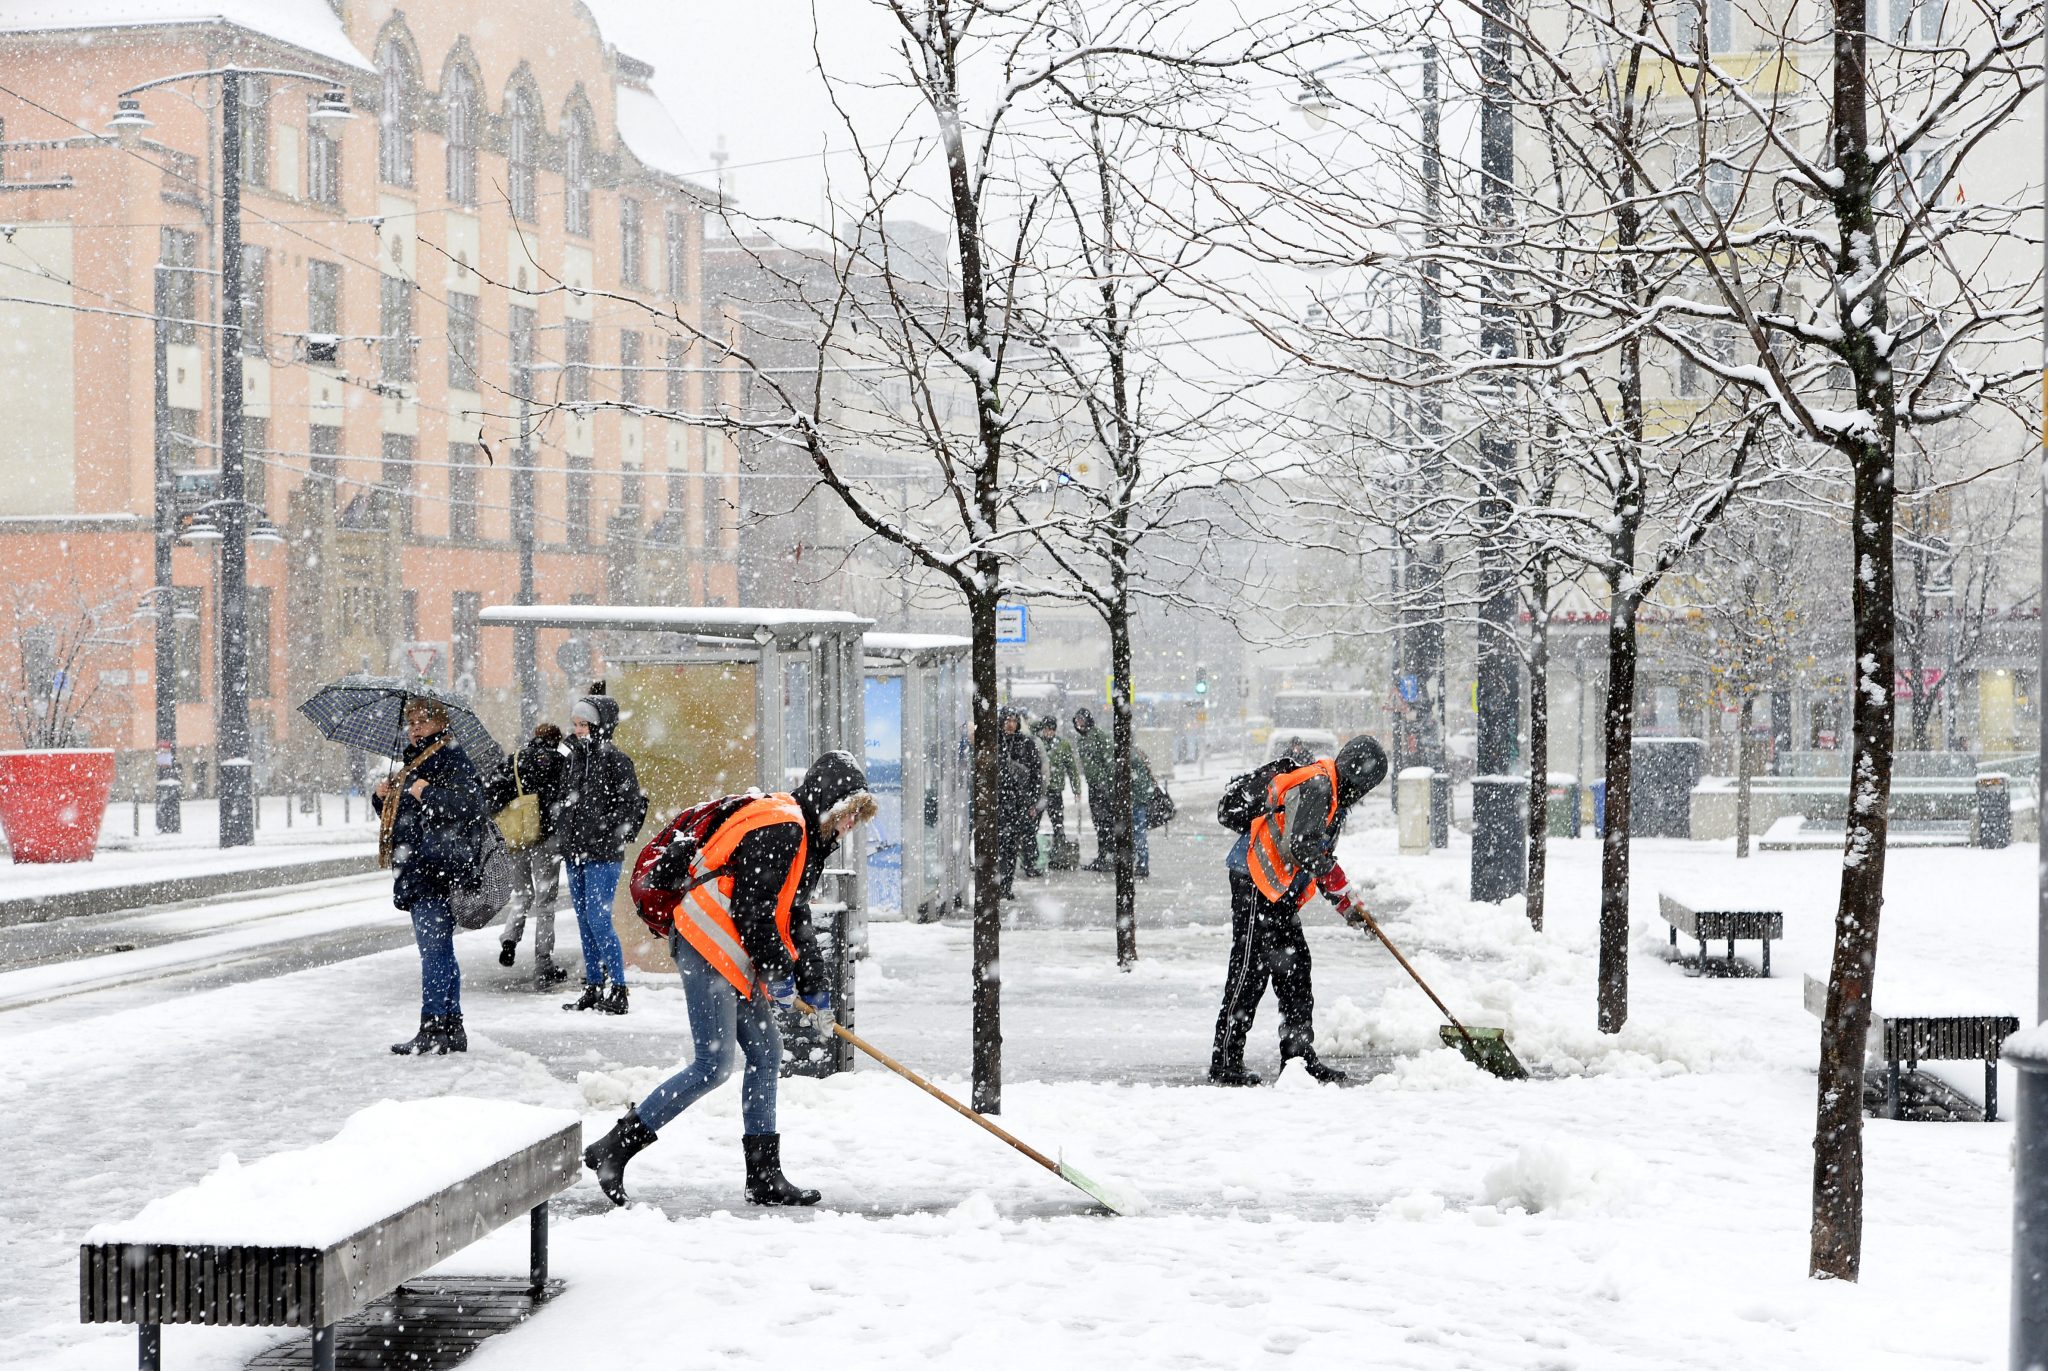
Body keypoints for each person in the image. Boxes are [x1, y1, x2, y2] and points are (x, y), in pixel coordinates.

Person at [581, 751, 878, 1208]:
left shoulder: (803, 838)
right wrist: (778, 975)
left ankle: (764, 1176)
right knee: (712, 1065)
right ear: (829, 802)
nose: (851, 824)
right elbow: (754, 910)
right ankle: (613, 1149)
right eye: (849, 812)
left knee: (766, 1051)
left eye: (858, 816)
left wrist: (816, 989)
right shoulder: (783, 827)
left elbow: (794, 916)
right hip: (707, 940)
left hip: (729, 950)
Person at [1209, 734, 1388, 1087]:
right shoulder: (1318, 786)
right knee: (1249, 970)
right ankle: (1225, 1061)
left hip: (1279, 890)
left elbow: (1318, 856)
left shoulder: (1333, 796)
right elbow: (1303, 848)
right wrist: (1341, 890)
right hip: (1255, 880)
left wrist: (1348, 905)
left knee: (1295, 970)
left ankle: (1299, 1060)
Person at [373, 697, 490, 1056]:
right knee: (440, 951)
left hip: (436, 869)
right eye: (411, 723)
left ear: (441, 723)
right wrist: (382, 798)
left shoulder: (450, 758)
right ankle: (451, 1027)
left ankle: (434, 1027)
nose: (415, 728)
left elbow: (471, 807)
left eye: (422, 721)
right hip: (421, 867)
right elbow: (405, 818)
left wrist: (426, 792)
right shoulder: (416, 761)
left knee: (434, 952)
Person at [559, 690, 649, 1015]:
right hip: (575, 852)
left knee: (598, 920)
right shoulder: (574, 759)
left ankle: (619, 988)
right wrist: (565, 831)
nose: (578, 730)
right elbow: (565, 800)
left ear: (600, 725)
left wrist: (600, 828)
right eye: (575, 724)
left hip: (602, 854)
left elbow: (631, 806)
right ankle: (593, 986)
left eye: (584, 724)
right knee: (584, 921)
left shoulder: (616, 760)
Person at [487, 722, 571, 988]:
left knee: (522, 894)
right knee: (545, 904)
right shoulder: (560, 762)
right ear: (556, 740)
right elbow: (566, 800)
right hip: (546, 840)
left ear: (535, 737)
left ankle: (510, 938)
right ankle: (543, 963)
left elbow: (492, 795)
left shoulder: (514, 760)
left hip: (518, 836)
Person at [995, 706, 1043, 898]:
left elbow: (1036, 774)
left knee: (1011, 846)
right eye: (1007, 720)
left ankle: (1006, 886)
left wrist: (1032, 801)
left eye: (1014, 721)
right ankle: (998, 885)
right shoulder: (995, 742)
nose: (1010, 724)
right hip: (998, 802)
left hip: (1018, 802)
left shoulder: (1026, 743)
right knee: (998, 845)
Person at [1071, 707, 1115, 869]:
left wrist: (1108, 785)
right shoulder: (1081, 740)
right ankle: (1102, 855)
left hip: (1104, 786)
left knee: (1107, 822)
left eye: (1081, 720)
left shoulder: (1099, 735)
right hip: (1093, 785)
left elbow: (1109, 761)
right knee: (1098, 822)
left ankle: (1110, 856)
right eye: (1077, 721)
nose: (1079, 723)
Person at [1036, 715, 1082, 869]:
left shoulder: (1063, 745)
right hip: (1039, 791)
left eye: (1051, 729)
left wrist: (1076, 789)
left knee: (1058, 825)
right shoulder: (1037, 743)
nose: (1048, 732)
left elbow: (1072, 768)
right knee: (1032, 824)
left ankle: (1059, 856)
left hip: (1055, 791)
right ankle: (1032, 857)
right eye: (1046, 729)